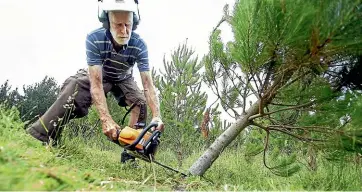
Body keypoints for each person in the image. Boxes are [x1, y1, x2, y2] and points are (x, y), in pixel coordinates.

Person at [26, 0, 164, 151]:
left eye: (128, 25)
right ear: (107, 23)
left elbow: (147, 85)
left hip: (124, 77)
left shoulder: (139, 45)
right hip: (100, 74)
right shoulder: (94, 38)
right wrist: (106, 119)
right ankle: (41, 136)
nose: (124, 31)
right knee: (74, 88)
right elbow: (96, 83)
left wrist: (156, 115)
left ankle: (132, 151)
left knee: (140, 102)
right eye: (118, 25)